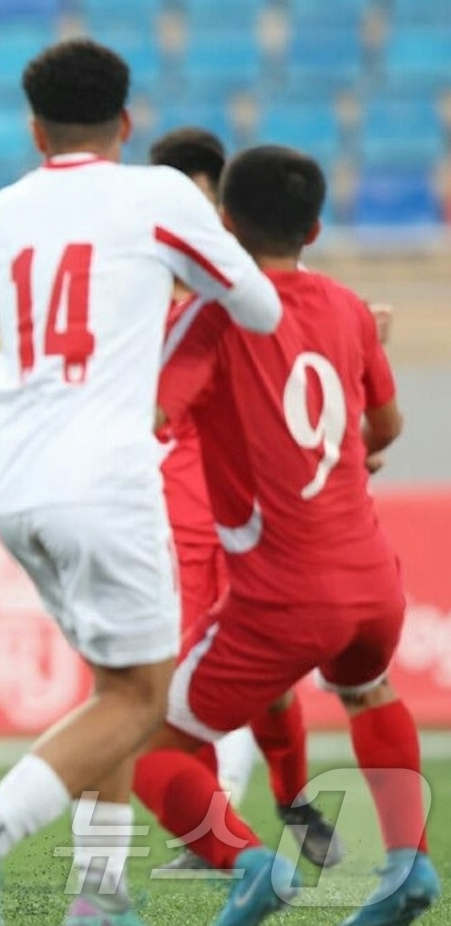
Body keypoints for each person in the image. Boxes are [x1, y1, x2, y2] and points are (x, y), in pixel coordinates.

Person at [0, 40, 282, 926]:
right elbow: (259, 305)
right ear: (126, 122)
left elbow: (47, 335)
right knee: (140, 700)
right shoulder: (156, 193)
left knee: (111, 688)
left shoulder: (5, 210)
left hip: (17, 481)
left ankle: (101, 893)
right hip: (105, 479)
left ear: (35, 129)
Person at [133, 145, 440, 926]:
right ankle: (408, 864)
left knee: (137, 739)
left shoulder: (212, 313)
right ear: (315, 224)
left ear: (226, 224)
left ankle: (251, 865)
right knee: (370, 690)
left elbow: (151, 418)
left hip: (279, 590)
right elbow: (386, 424)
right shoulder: (344, 305)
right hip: (373, 577)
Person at [147, 126, 342, 872]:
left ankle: (279, 807)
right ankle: (235, 820)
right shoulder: (139, 296)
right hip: (179, 518)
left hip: (257, 513)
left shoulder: (249, 298)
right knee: (202, 674)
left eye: (206, 203)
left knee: (245, 676)